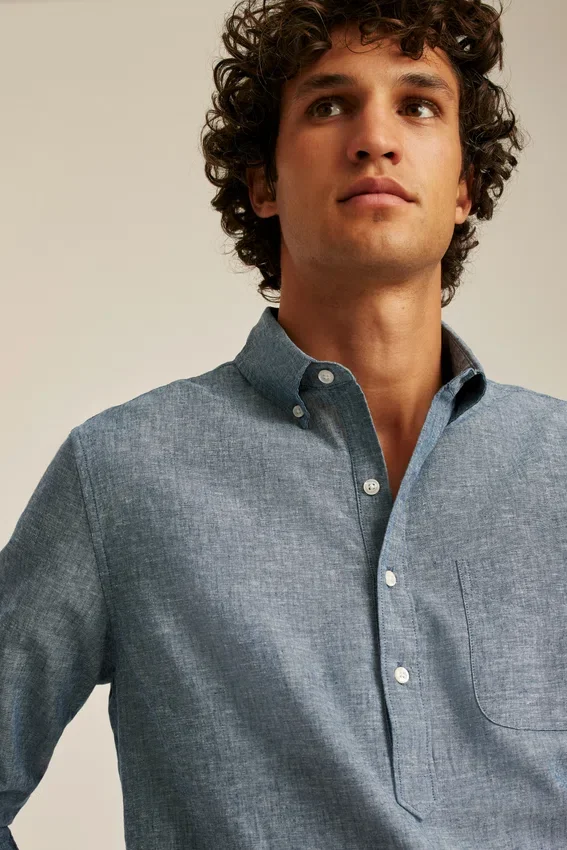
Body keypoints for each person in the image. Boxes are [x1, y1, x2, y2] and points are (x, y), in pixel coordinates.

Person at [2, 1, 564, 849]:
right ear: (262, 184)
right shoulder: (121, 472)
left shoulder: (557, 468)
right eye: (329, 105)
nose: (374, 138)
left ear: (463, 188)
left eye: (417, 105)